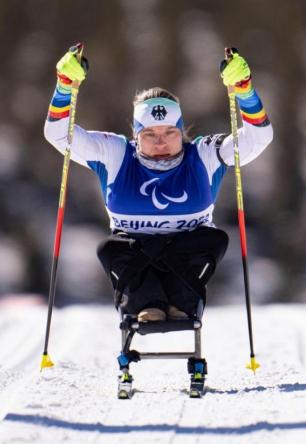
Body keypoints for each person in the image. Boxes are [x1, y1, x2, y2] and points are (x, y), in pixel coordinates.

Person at [43, 46, 273, 322]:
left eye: (170, 132)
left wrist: (245, 91)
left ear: (182, 131)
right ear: (136, 136)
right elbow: (58, 134)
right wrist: (65, 87)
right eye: (150, 133)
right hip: (135, 255)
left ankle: (182, 303)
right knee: (108, 247)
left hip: (187, 256)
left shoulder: (204, 154)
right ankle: (145, 304)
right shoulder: (115, 153)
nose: (161, 142)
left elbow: (259, 138)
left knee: (216, 239)